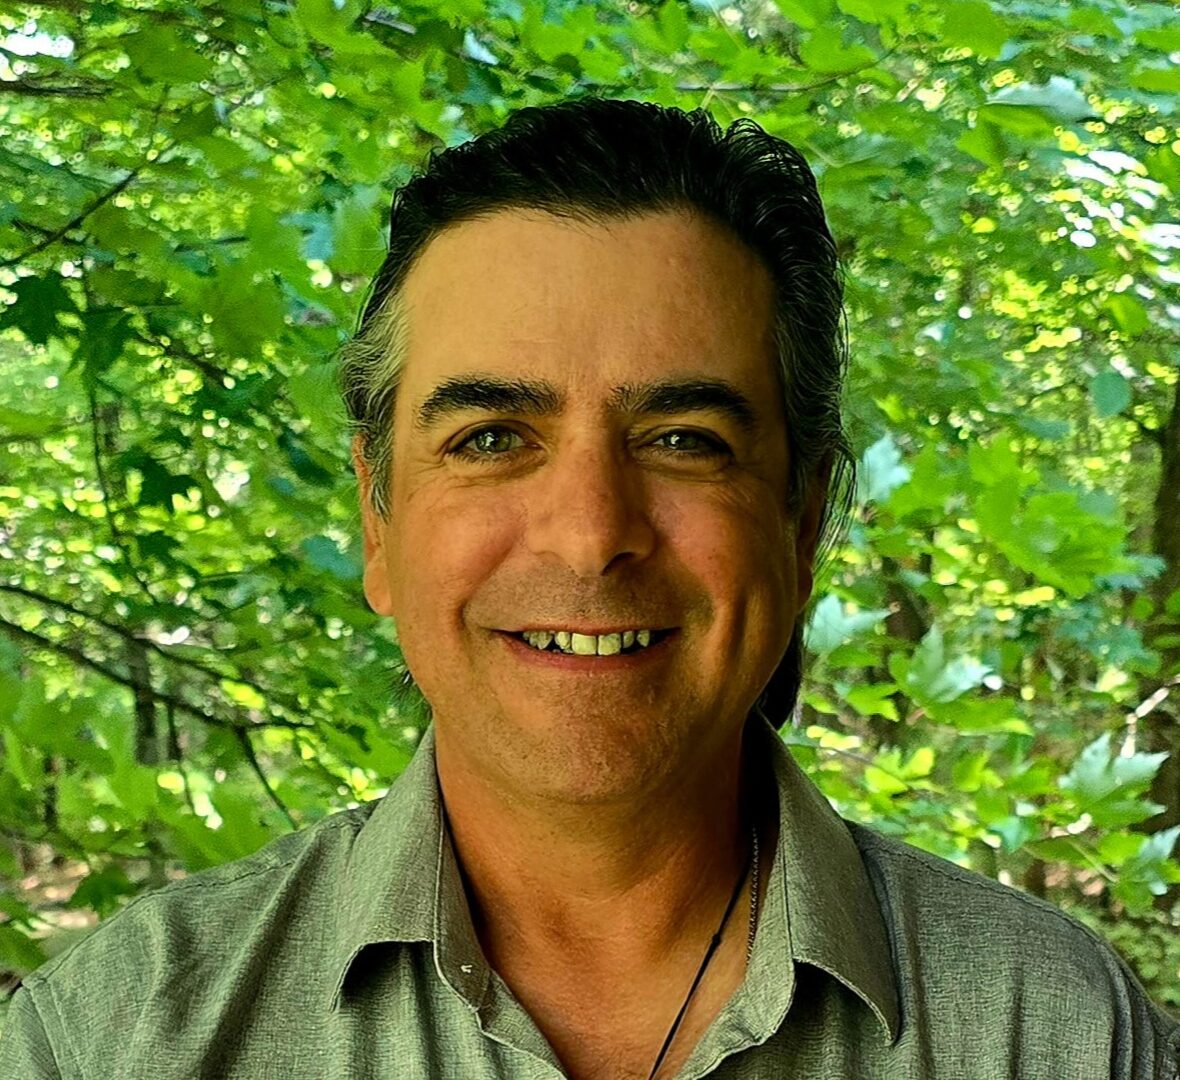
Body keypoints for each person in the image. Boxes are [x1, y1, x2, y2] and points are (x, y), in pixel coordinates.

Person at [2, 96, 1177, 1080]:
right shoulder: (115, 1037)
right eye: (489, 437)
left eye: (683, 440)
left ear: (802, 519)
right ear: (377, 515)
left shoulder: (1055, 1034)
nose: (588, 535)